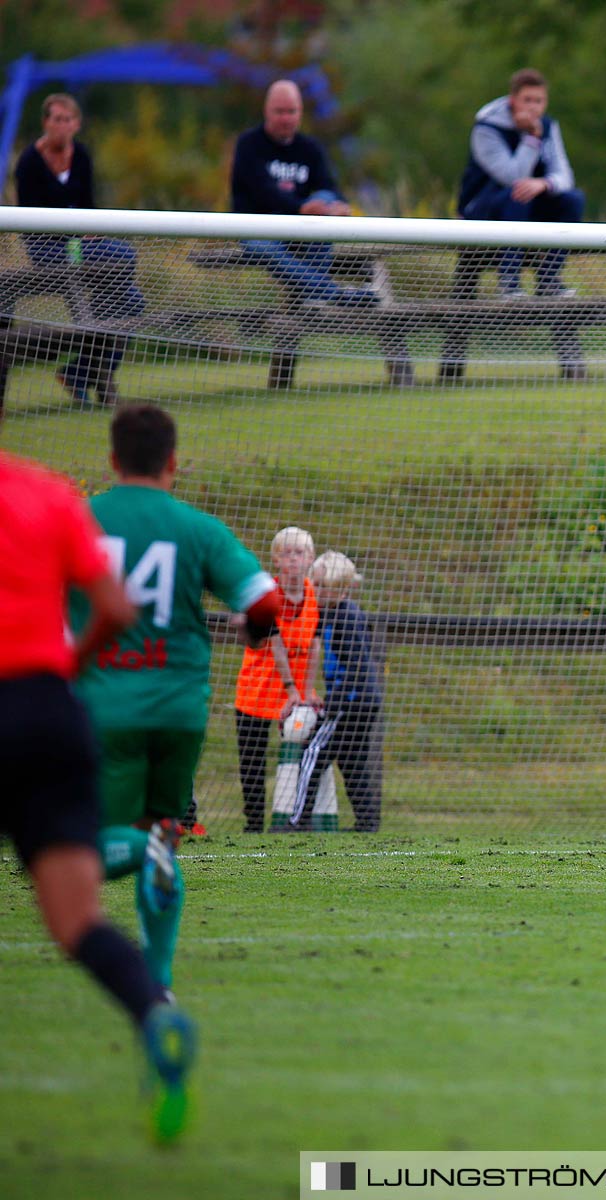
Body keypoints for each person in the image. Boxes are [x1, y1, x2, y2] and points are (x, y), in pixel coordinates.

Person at [0, 439, 197, 1141]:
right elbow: (116, 605)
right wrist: (64, 668)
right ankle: (154, 1013)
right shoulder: (50, 492)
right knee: (76, 921)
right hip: (52, 711)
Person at [71, 404, 282, 996]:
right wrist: (255, 633)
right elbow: (265, 603)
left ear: (112, 460)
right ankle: (158, 979)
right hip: (179, 706)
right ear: (173, 463)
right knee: (162, 831)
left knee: (89, 848)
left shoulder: (80, 520)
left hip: (104, 704)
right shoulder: (198, 529)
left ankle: (145, 849)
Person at [10, 92, 145, 407]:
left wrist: (90, 230)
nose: (62, 125)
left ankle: (79, 372)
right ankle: (86, 362)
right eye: (56, 119)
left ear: (77, 124)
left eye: (68, 119)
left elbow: (88, 206)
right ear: (46, 122)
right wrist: (77, 233)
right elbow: (33, 220)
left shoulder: (81, 156)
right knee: (123, 261)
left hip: (80, 246)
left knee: (134, 302)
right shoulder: (30, 163)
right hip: (47, 249)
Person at [229, 80, 376, 307]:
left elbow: (330, 186)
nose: (286, 118)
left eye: (291, 111)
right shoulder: (249, 144)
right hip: (257, 227)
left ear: (300, 113)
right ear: (266, 111)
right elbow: (263, 191)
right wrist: (300, 208)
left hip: (299, 230)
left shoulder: (310, 148)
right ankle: (333, 295)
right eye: (280, 111)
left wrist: (338, 206)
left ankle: (308, 300)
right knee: (266, 248)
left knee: (326, 199)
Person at [457, 68, 586, 299]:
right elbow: (512, 176)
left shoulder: (548, 125)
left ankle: (549, 280)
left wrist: (544, 184)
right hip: (483, 211)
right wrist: (532, 138)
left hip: (526, 209)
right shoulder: (487, 127)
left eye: (539, 101)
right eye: (527, 100)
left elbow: (565, 175)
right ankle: (510, 283)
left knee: (573, 199)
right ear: (513, 100)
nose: (533, 107)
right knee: (517, 194)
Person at [232, 526, 323, 832]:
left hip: (297, 695)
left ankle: (297, 820)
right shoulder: (267, 594)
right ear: (276, 559)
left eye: (300, 553)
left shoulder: (314, 594)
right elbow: (276, 643)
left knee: (302, 754)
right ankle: (253, 823)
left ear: (310, 557)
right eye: (287, 553)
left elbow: (314, 644)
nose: (294, 559)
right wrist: (291, 689)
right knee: (253, 761)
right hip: (258, 689)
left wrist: (306, 690)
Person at [294, 551, 386, 833]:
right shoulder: (330, 612)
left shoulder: (347, 619)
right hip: (364, 701)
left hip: (352, 700)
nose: (316, 591)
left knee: (312, 751)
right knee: (352, 760)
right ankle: (367, 823)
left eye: (323, 587)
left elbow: (358, 666)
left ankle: (297, 821)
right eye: (315, 584)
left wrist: (335, 700)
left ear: (342, 590)